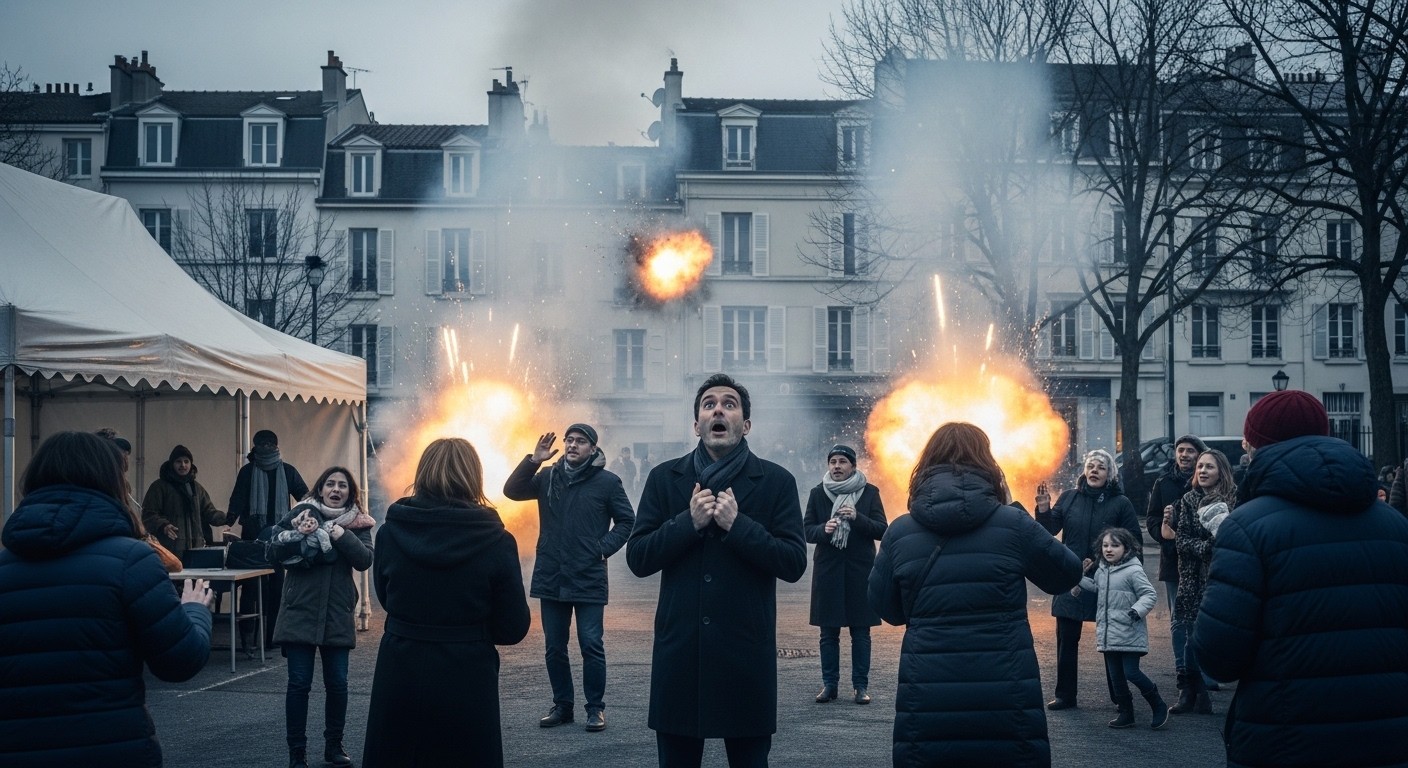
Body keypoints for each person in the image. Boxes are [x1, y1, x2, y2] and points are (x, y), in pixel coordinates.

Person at [1193, 390, 1408, 767]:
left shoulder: (1246, 529)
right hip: (1387, 735)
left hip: (1284, 734)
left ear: (1256, 445)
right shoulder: (1396, 526)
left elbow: (1218, 656)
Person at [868, 422, 1081, 767]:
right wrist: (1013, 508)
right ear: (988, 464)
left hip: (929, 689)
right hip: (1006, 688)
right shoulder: (1012, 523)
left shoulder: (901, 531)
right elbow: (1066, 574)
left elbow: (887, 610)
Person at [0, 431, 214, 767]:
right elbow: (179, 661)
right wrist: (195, 611)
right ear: (110, 479)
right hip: (112, 748)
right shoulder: (133, 561)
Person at [626, 373, 807, 768]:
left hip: (744, 656)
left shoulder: (776, 481)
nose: (718, 409)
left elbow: (794, 563)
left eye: (729, 403)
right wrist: (685, 523)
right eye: (709, 404)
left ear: (745, 424)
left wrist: (738, 526)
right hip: (681, 655)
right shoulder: (664, 478)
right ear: (697, 425)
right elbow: (638, 558)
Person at [362, 438, 531, 768]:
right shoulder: (496, 539)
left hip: (401, 664)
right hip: (466, 671)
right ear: (473, 476)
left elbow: (385, 597)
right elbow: (512, 627)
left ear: (422, 472)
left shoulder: (390, 532)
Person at [503, 423, 635, 732]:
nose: (573, 445)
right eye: (569, 440)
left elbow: (627, 521)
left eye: (580, 441)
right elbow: (512, 490)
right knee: (554, 646)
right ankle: (562, 706)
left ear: (592, 448)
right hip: (552, 573)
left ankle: (595, 709)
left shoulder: (607, 482)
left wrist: (602, 549)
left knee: (591, 644)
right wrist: (534, 460)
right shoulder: (548, 476)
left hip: (588, 574)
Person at [268, 467, 374, 768]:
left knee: (338, 684)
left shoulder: (357, 523)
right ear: (321, 488)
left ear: (350, 493)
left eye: (342, 485)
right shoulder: (301, 512)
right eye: (330, 484)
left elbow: (365, 560)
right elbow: (273, 550)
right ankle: (296, 752)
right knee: (299, 684)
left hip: (336, 612)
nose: (336, 489)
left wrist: (340, 534)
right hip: (300, 610)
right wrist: (297, 535)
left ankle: (333, 746)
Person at [1035, 448, 1141, 710]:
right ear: (1084, 471)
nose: (1094, 470)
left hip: (1108, 579)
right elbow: (1049, 530)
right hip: (1071, 576)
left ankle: (1119, 696)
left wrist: (1106, 558)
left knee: (1110, 641)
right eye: (1091, 466)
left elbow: (1134, 541)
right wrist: (1044, 509)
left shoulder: (1121, 503)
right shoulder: (1069, 498)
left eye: (1101, 467)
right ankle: (1065, 695)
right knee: (1066, 640)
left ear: (1110, 474)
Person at [802, 443, 887, 705]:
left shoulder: (870, 493)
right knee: (828, 633)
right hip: (828, 571)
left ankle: (860, 687)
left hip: (860, 571)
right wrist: (823, 530)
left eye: (842, 462)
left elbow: (882, 529)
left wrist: (858, 517)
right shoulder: (818, 493)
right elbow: (806, 530)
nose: (836, 467)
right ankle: (830, 685)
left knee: (861, 632)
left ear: (853, 466)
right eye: (833, 462)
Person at [1162, 448, 1234, 716]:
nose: (1202, 471)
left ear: (1221, 472)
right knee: (1190, 636)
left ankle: (1202, 686)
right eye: (1200, 467)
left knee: (1209, 637)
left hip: (1221, 579)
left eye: (1209, 467)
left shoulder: (1233, 501)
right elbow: (1182, 541)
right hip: (1192, 579)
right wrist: (1208, 546)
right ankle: (1190, 691)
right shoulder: (1188, 501)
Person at [1077, 526, 1167, 730]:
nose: (1109, 549)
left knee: (1131, 673)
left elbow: (1149, 594)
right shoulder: (1102, 570)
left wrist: (1136, 611)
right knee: (1116, 677)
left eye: (1115, 546)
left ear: (1126, 548)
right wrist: (1078, 578)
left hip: (1129, 631)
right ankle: (1127, 713)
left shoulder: (1133, 570)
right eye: (1105, 545)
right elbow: (1096, 588)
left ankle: (1158, 704)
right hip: (1109, 634)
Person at [227, 429, 309, 650]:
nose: (266, 447)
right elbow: (237, 499)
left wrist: (306, 515)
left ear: (276, 445)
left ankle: (273, 637)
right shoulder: (246, 472)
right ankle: (246, 637)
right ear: (255, 446)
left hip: (279, 540)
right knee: (250, 588)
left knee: (277, 589)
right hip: (253, 540)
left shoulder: (289, 472)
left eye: (270, 443)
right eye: (261, 444)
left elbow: (304, 495)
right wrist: (229, 519)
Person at [1143, 434, 1205, 698]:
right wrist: (1163, 533)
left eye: (1190, 450)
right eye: (1180, 450)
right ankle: (1183, 673)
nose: (1184, 455)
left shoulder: (1206, 482)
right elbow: (1152, 518)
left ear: (1199, 454)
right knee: (1179, 621)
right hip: (1173, 562)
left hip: (1203, 561)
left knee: (1202, 619)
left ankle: (1204, 673)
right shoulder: (1163, 482)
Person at [141, 444, 226, 557]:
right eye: (178, 461)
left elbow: (208, 512)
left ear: (191, 464)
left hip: (196, 550)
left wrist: (225, 517)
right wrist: (163, 526)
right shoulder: (159, 487)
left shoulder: (196, 488)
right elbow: (148, 515)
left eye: (186, 461)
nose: (183, 465)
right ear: (172, 464)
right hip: (168, 550)